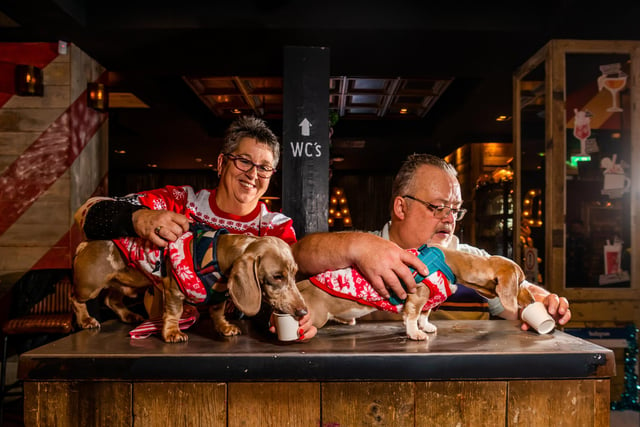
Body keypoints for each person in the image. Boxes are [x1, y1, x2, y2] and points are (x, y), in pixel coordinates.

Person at [74, 116, 318, 340]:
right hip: (161, 341)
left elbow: (292, 290)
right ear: (222, 163)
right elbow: (87, 212)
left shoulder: (276, 230)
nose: (253, 174)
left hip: (234, 344)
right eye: (244, 161)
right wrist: (138, 218)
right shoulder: (179, 202)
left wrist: (304, 317)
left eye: (264, 167)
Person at [293, 153, 571, 329]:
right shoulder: (359, 251)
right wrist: (357, 245)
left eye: (456, 209)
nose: (450, 219)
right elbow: (298, 256)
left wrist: (546, 302)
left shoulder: (470, 260)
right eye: (438, 207)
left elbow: (518, 290)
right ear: (401, 208)